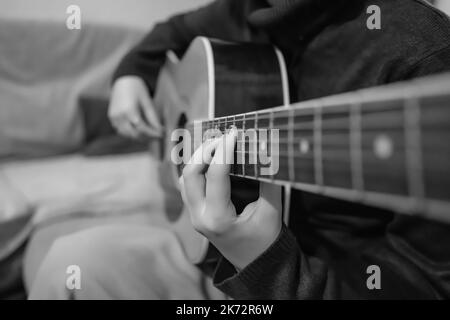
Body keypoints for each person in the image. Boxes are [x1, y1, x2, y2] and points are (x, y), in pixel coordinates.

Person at [28, 0, 450, 299]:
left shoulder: (418, 50)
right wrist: (129, 75)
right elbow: (167, 35)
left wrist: (265, 263)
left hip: (305, 282)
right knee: (71, 266)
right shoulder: (242, 9)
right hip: (216, 258)